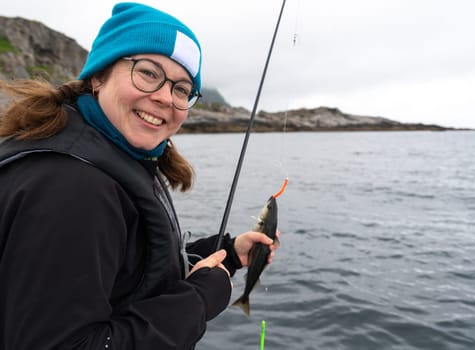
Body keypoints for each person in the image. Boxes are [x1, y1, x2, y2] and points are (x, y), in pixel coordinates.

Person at [0, 3, 279, 349]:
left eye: (181, 89)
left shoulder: (113, 158)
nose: (165, 97)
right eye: (148, 73)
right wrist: (197, 300)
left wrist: (229, 253)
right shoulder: (71, 187)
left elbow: (127, 275)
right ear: (99, 75)